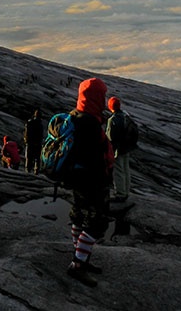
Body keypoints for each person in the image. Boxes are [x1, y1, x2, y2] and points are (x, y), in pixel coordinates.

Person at [64, 77, 113, 287]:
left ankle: (81, 256)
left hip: (76, 178)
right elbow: (96, 158)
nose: (104, 100)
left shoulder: (75, 116)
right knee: (97, 223)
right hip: (91, 180)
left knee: (78, 216)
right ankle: (78, 264)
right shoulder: (90, 124)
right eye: (101, 95)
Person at [106, 97, 136, 202]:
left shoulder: (113, 119)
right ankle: (126, 191)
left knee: (118, 171)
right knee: (126, 169)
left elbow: (110, 137)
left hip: (117, 149)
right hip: (126, 147)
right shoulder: (125, 116)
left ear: (110, 107)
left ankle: (120, 194)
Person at [24, 109, 44, 174]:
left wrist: (26, 140)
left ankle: (28, 170)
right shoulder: (40, 124)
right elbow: (41, 134)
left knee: (29, 157)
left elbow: (26, 132)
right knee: (37, 158)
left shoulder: (30, 122)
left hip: (30, 142)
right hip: (38, 143)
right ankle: (36, 171)